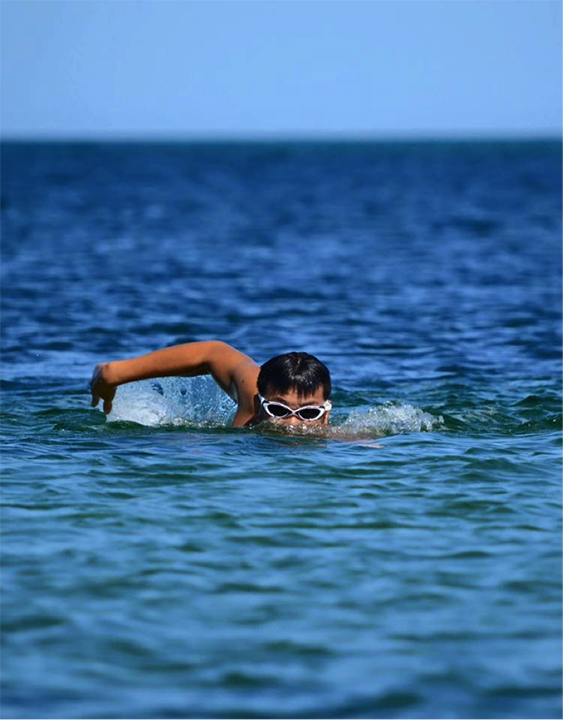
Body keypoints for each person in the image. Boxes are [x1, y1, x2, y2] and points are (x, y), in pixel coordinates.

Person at [90, 340, 332, 428]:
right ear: (259, 404)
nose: (292, 422)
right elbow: (213, 352)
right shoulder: (252, 392)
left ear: (325, 415)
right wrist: (117, 373)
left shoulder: (335, 438)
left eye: (308, 413)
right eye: (278, 410)